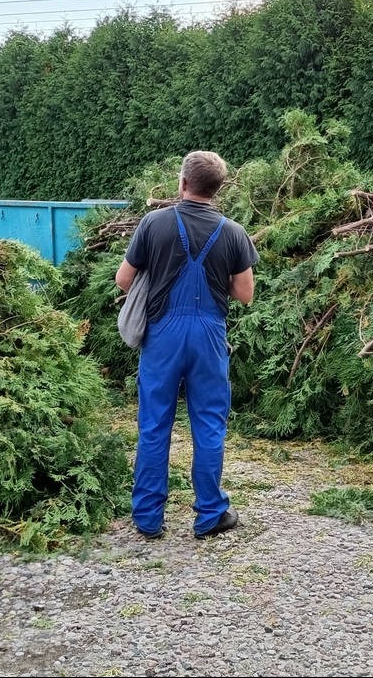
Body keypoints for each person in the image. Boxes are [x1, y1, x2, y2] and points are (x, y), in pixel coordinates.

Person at [115, 150, 258, 540]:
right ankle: (210, 513)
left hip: (162, 335)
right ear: (218, 189)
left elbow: (124, 280)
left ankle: (147, 518)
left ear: (182, 183)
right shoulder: (233, 232)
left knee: (154, 424)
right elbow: (245, 294)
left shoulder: (153, 223)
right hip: (208, 336)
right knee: (209, 424)